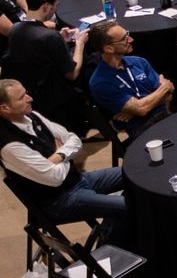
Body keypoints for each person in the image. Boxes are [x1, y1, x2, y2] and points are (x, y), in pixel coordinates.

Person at [0, 78, 128, 243]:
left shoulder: (31, 115)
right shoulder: (9, 146)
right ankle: (111, 250)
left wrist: (57, 155)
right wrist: (65, 152)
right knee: (127, 206)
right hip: (59, 201)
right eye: (21, 97)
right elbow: (54, 178)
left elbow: (74, 140)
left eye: (26, 93)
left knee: (133, 174)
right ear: (5, 108)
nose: (29, 98)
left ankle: (107, 234)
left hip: (78, 179)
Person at [4, 0, 87, 126]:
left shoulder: (14, 29)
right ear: (46, 7)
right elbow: (72, 74)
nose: (56, 9)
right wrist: (80, 43)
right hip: (56, 96)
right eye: (56, 5)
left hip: (33, 90)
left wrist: (61, 39)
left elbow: (35, 47)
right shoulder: (50, 37)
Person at [85, 21, 174, 133]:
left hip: (165, 115)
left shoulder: (139, 62)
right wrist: (164, 87)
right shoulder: (100, 82)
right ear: (109, 49)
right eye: (124, 39)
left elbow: (168, 96)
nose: (131, 40)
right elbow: (142, 109)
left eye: (127, 34)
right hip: (141, 128)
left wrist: (136, 109)